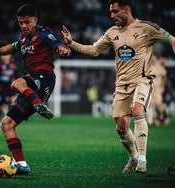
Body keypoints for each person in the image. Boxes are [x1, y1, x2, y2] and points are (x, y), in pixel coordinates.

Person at [61, 0, 175, 174]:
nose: (112, 16)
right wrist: (71, 43)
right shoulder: (111, 32)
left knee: (138, 110)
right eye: (111, 12)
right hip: (121, 85)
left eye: (115, 11)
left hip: (142, 80)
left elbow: (172, 40)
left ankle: (142, 160)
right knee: (121, 126)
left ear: (126, 10)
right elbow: (94, 50)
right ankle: (133, 157)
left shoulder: (146, 28)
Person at [0, 4, 71, 175]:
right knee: (7, 124)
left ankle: (39, 105)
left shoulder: (43, 33)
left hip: (44, 79)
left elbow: (57, 45)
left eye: (27, 22)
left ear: (35, 20)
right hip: (31, 86)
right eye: (21, 22)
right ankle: (22, 164)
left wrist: (63, 49)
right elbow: (11, 46)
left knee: (16, 83)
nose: (24, 26)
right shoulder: (23, 40)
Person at [0, 54, 18, 129]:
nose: (6, 57)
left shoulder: (13, 65)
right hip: (1, 89)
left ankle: (9, 121)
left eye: (8, 55)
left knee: (13, 103)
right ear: (1, 57)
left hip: (11, 88)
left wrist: (15, 80)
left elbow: (16, 74)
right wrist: (4, 79)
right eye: (4, 55)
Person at [147, 54, 170, 127]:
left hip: (157, 88)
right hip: (149, 88)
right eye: (152, 57)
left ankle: (162, 118)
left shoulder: (159, 67)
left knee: (158, 105)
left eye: (154, 57)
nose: (153, 59)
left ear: (156, 58)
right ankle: (150, 122)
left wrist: (163, 87)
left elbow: (164, 77)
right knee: (149, 105)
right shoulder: (147, 67)